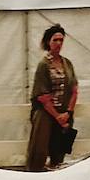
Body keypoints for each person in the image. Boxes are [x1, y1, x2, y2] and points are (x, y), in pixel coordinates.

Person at [25, 24, 78, 171]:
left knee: (60, 148)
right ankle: (34, 174)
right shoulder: (44, 65)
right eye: (55, 40)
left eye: (61, 40)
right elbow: (42, 96)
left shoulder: (67, 63)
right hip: (47, 113)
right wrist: (57, 116)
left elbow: (74, 89)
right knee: (40, 148)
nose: (59, 44)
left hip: (64, 111)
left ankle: (57, 170)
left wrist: (68, 112)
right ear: (48, 42)